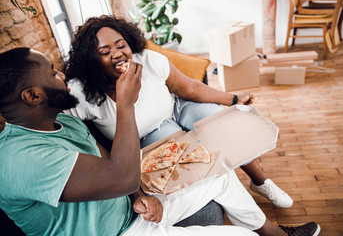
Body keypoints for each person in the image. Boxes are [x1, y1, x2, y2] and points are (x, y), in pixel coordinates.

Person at [0, 48, 321, 235]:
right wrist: (125, 103)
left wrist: (141, 196)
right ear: (32, 96)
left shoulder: (61, 118)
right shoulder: (20, 159)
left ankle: (273, 233)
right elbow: (120, 175)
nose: (62, 77)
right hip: (121, 234)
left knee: (220, 176)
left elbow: (105, 159)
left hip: (134, 212)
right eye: (53, 73)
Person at [64, 15, 292, 208]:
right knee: (189, 158)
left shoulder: (148, 60)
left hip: (178, 108)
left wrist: (232, 98)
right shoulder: (79, 92)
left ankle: (260, 182)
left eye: (121, 45)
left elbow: (189, 87)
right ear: (91, 60)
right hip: (146, 136)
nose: (117, 54)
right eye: (105, 51)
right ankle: (228, 197)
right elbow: (80, 138)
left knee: (217, 123)